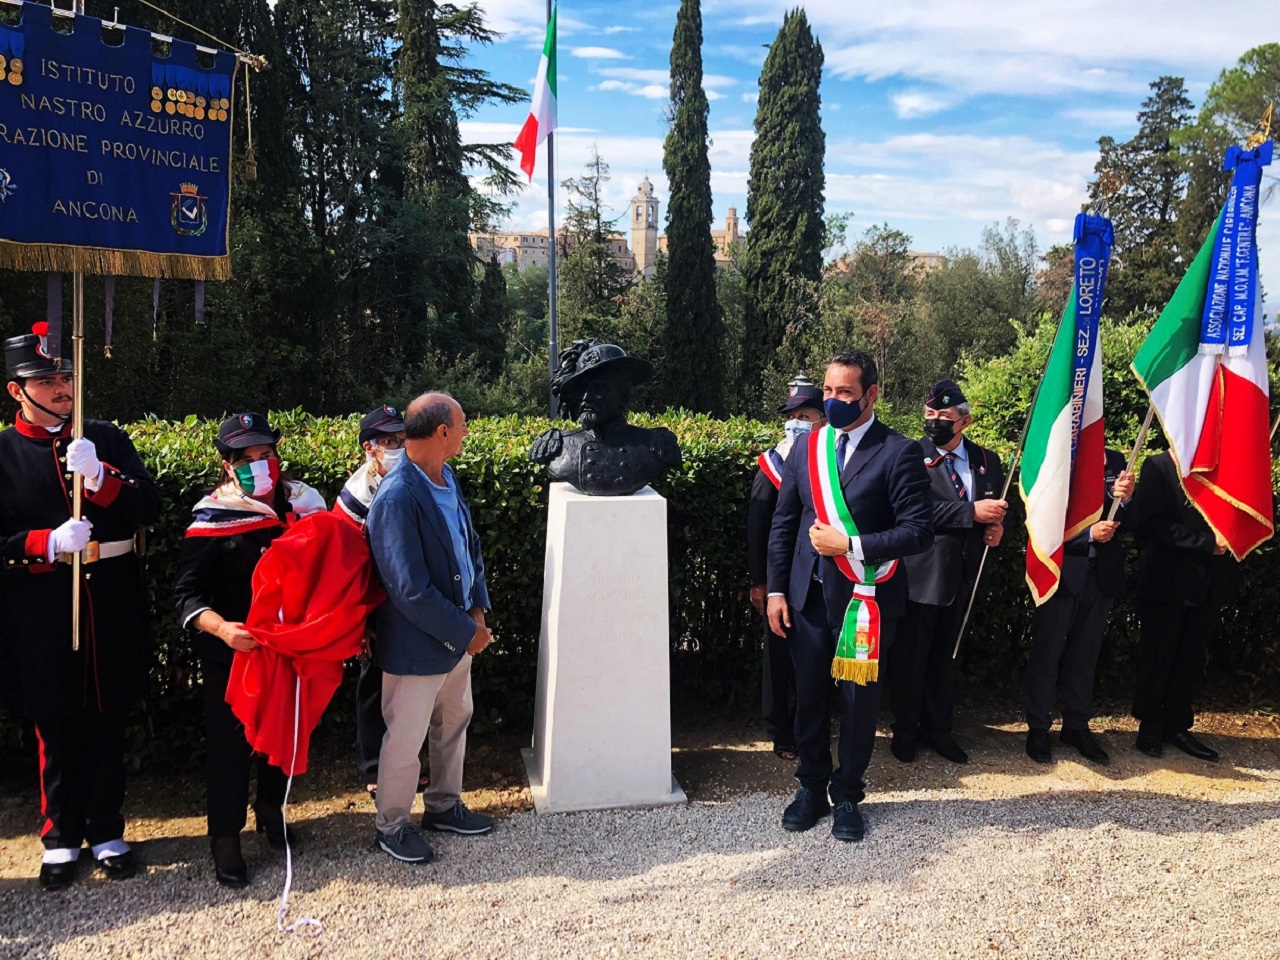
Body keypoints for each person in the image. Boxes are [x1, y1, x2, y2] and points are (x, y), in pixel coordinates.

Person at [0, 325, 161, 890]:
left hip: (109, 599)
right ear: (17, 390)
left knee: (106, 718)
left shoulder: (103, 438)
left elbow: (150, 508)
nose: (62, 387)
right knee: (54, 722)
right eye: (46, 379)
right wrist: (43, 542)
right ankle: (61, 837)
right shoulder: (3, 454)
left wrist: (99, 476)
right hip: (41, 606)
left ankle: (107, 827)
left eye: (66, 376)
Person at [767, 351, 932, 842]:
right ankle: (811, 787)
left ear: (871, 394)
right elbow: (784, 523)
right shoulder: (808, 447)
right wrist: (776, 589)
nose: (833, 400)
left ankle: (848, 796)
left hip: (867, 601)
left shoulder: (898, 451)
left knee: (859, 702)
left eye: (845, 392)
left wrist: (853, 545)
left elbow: (919, 531)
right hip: (808, 598)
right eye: (829, 391)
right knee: (810, 697)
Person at [172, 412, 327, 887]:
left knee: (286, 736)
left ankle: (272, 813)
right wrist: (220, 629)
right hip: (234, 656)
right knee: (229, 749)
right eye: (247, 458)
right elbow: (186, 594)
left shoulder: (303, 504)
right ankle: (225, 838)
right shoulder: (212, 516)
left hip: (291, 651)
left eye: (266, 454)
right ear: (227, 465)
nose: (260, 465)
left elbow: (328, 568)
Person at [368, 393, 495, 864]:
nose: (465, 432)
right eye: (461, 425)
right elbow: (410, 589)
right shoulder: (398, 495)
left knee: (453, 722)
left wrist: (477, 611)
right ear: (442, 431)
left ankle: (443, 806)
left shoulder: (445, 476)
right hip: (418, 645)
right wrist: (466, 631)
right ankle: (392, 825)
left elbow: (469, 544)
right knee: (406, 737)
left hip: (458, 635)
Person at [890, 379, 1007, 765]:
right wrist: (970, 513)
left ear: (965, 421)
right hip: (921, 574)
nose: (935, 420)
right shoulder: (909, 455)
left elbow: (1004, 507)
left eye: (944, 415)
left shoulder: (988, 461)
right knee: (911, 658)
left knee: (946, 657)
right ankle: (905, 732)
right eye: (929, 414)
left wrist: (999, 527)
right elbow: (913, 510)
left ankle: (939, 730)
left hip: (966, 576)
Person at [1023, 448, 1135, 765]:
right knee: (1047, 653)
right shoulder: (1055, 453)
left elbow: (1132, 522)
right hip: (1059, 572)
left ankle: (1076, 725)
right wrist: (1087, 535)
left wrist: (1126, 501)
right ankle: (1038, 728)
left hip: (1101, 578)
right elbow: (1040, 520)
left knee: (1086, 655)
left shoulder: (1115, 461)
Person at [1129, 450, 1239, 762]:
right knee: (1159, 654)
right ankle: (1150, 724)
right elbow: (1151, 525)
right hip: (1169, 581)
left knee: (1191, 657)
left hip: (1208, 583)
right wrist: (1204, 543)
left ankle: (1178, 724)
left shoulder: (1223, 467)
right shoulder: (1160, 466)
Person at [337, 404, 418, 798]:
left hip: (410, 600)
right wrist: (361, 621)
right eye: (389, 441)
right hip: (373, 604)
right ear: (369, 448)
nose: (398, 447)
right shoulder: (355, 497)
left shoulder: (417, 477)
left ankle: (407, 763)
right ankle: (372, 767)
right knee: (373, 686)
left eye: (403, 440)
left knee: (410, 688)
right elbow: (347, 567)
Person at [747, 379, 826, 760]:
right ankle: (780, 730)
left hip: (819, 578)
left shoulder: (830, 461)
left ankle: (810, 725)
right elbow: (759, 527)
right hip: (780, 577)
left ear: (822, 421)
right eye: (792, 417)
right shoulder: (773, 464)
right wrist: (759, 581)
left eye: (805, 416)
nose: (796, 423)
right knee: (778, 658)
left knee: (815, 657)